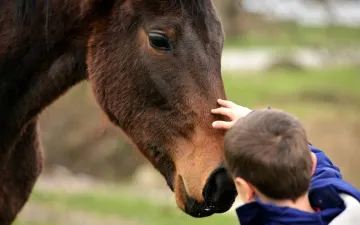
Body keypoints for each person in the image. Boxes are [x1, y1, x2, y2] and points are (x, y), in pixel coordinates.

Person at [211, 99, 360, 225]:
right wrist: (255, 118)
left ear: (245, 189)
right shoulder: (348, 206)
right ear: (312, 164)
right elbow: (323, 171)